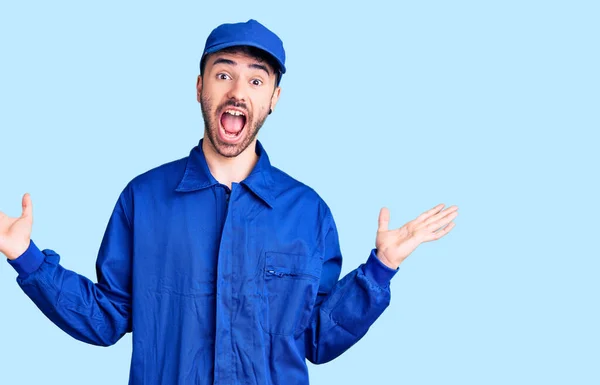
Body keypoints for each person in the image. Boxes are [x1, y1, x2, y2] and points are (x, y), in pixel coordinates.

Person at [0, 19, 458, 385]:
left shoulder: (307, 213)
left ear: (274, 99)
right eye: (224, 74)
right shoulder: (143, 199)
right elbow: (106, 318)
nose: (239, 91)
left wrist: (381, 268)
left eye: (257, 81)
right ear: (200, 86)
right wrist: (25, 256)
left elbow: (318, 339)